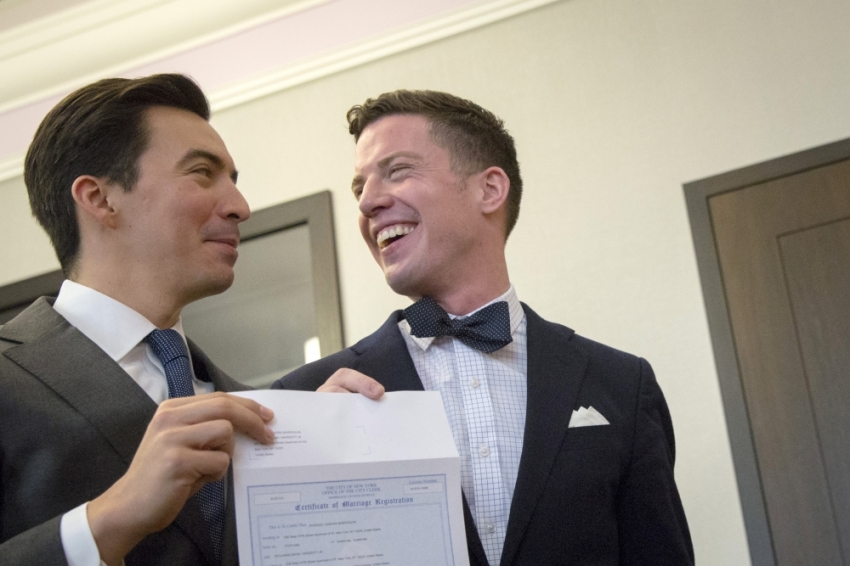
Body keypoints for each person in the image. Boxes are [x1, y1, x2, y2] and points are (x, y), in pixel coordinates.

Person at [277, 90, 695, 565]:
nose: (369, 202)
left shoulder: (621, 383)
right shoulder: (305, 401)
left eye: (397, 171)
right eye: (359, 188)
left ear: (489, 190)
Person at [0, 74, 378, 566]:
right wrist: (112, 516)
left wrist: (310, 451)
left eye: (234, 182)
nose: (240, 207)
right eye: (202, 172)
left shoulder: (258, 407)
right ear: (98, 198)